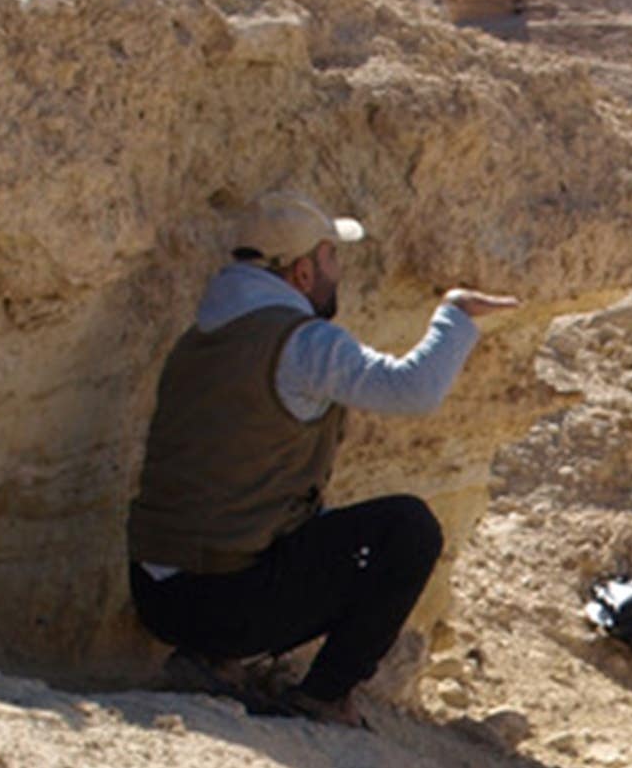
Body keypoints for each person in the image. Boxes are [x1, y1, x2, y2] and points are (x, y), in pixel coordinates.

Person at [126, 190, 518, 726]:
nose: (339, 271)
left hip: (155, 592)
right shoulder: (300, 344)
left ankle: (213, 661)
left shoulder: (200, 339)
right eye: (332, 257)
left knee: (302, 527)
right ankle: (326, 695)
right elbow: (412, 390)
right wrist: (455, 317)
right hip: (218, 603)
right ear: (303, 272)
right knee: (406, 530)